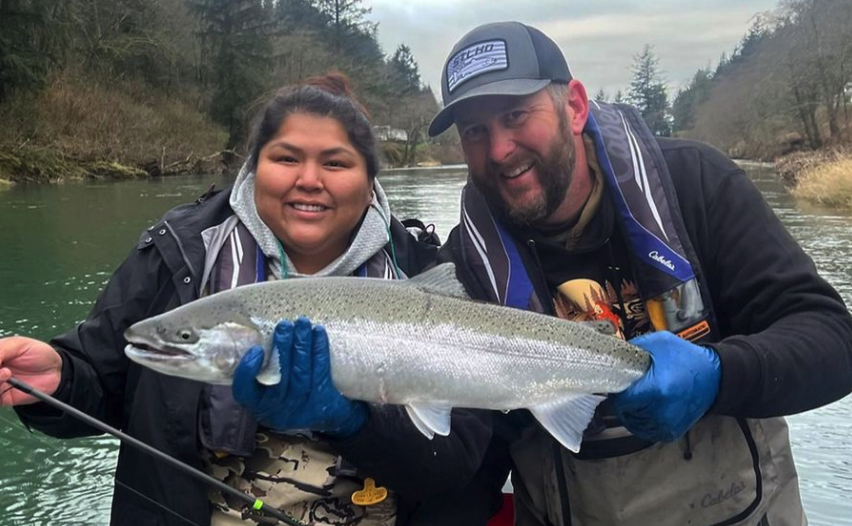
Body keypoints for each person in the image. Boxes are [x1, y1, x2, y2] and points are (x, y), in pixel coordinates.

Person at [0, 72, 492, 526]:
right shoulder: (181, 254)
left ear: (370, 182)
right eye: (286, 157)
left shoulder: (423, 271)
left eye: (336, 163)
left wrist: (353, 421)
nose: (309, 180)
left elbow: (453, 467)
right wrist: (59, 379)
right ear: (255, 166)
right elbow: (104, 379)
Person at [429, 22, 852, 526]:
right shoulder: (466, 265)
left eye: (516, 115)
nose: (499, 150)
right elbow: (478, 453)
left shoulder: (696, 183)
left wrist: (718, 375)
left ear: (576, 107)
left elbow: (834, 341)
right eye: (475, 131)